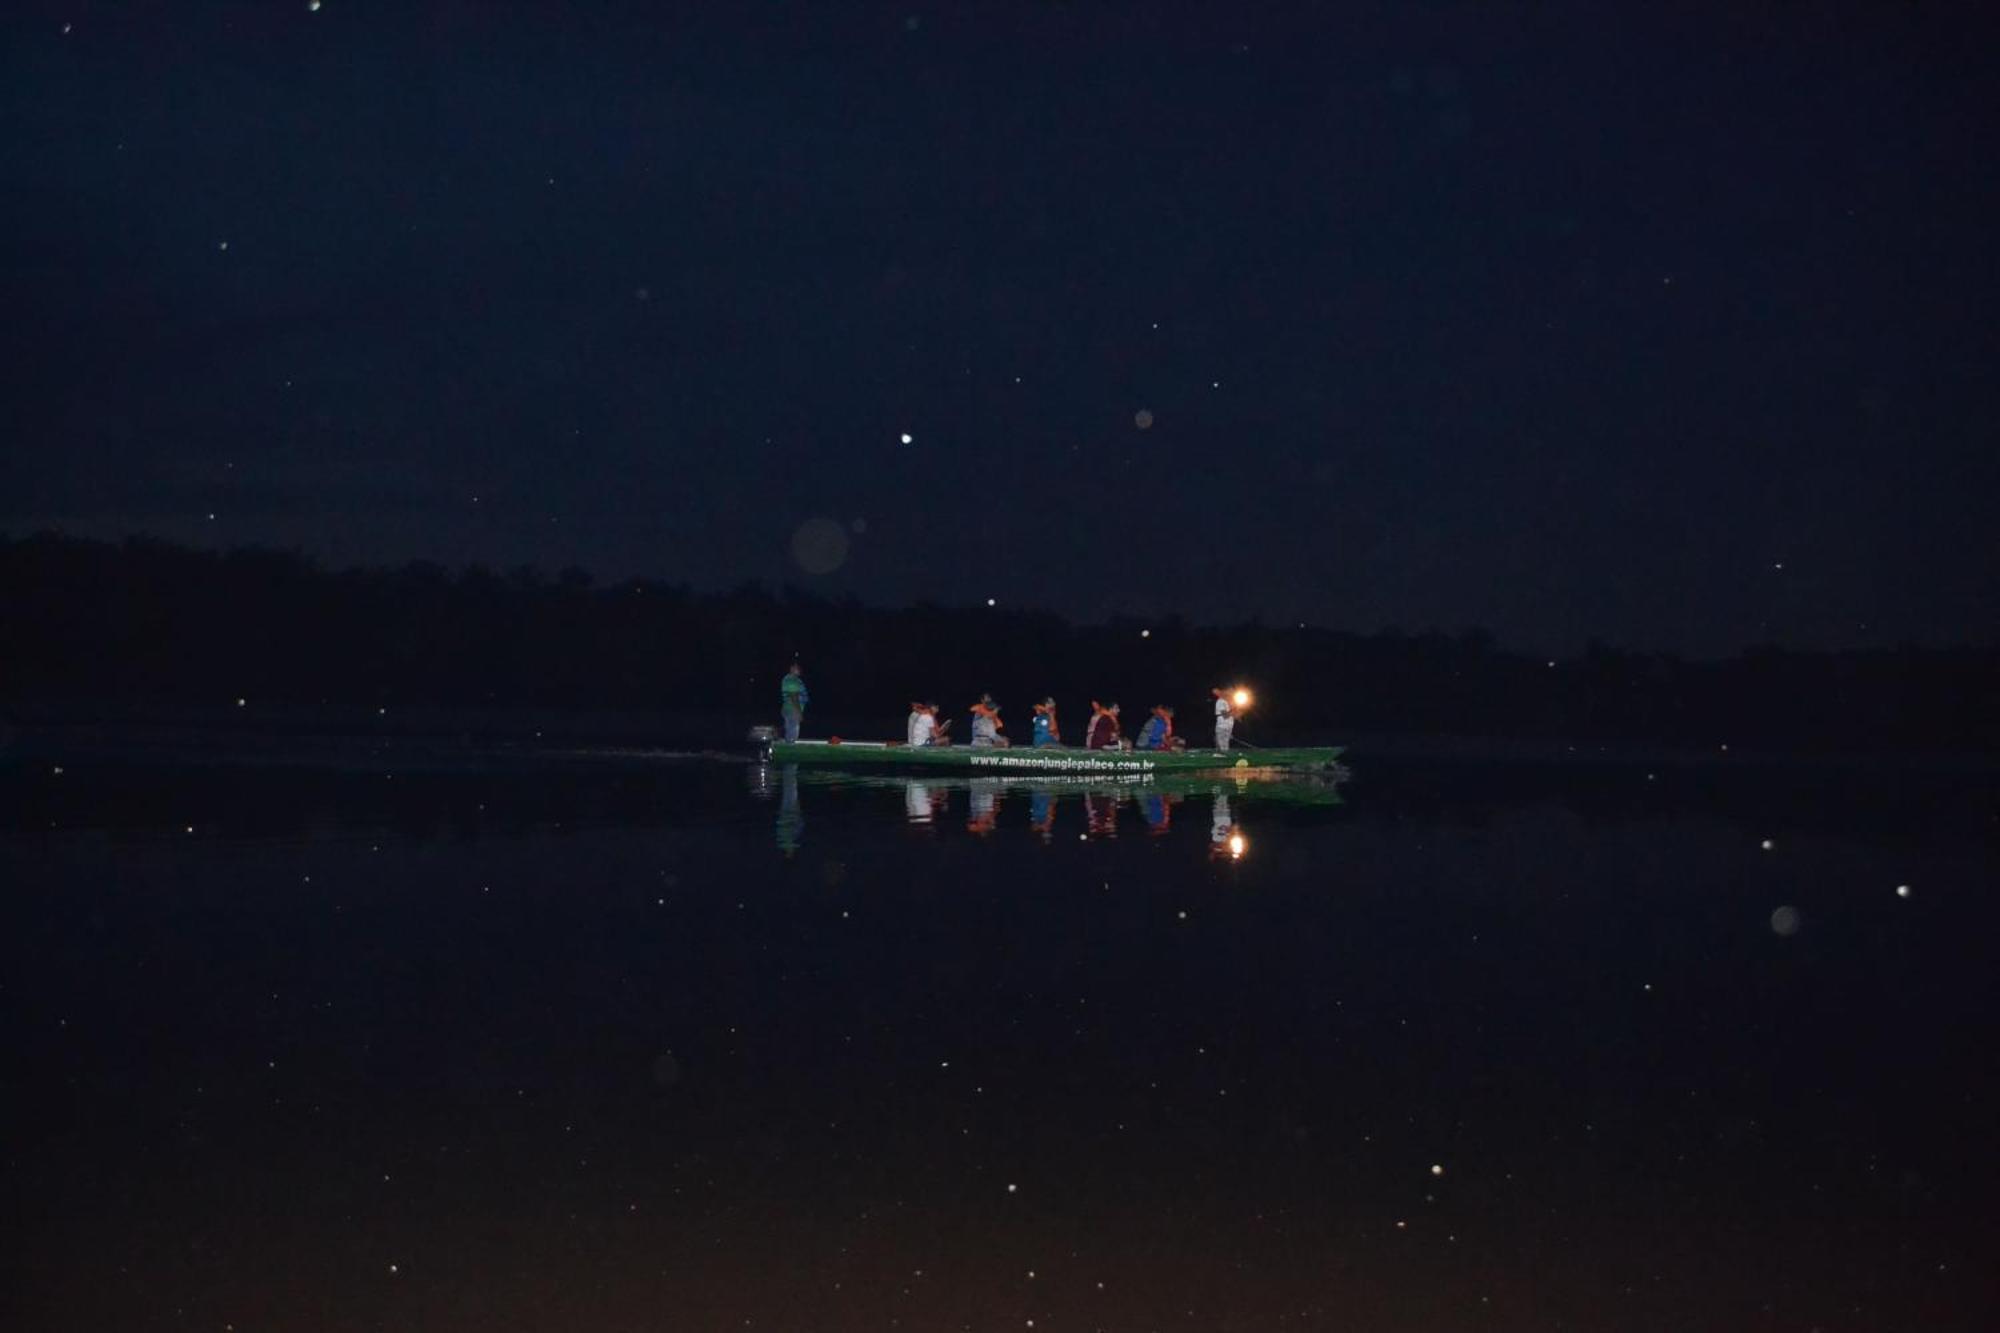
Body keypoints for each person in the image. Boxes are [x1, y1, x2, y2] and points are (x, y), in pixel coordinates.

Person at [779, 662, 809, 742]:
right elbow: (793, 696)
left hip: (790, 709)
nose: (799, 669)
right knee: (792, 735)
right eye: (796, 667)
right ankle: (788, 749)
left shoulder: (794, 680)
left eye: (799, 668)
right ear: (791, 668)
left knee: (790, 731)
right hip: (793, 710)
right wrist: (799, 712)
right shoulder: (791, 680)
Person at [1211, 687, 1236, 752]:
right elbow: (1225, 715)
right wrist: (1234, 710)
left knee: (1226, 744)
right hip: (1222, 724)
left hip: (1229, 725)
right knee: (1220, 743)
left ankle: (1225, 758)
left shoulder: (1230, 702)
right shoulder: (1220, 701)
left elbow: (1234, 715)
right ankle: (1220, 757)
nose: (1231, 694)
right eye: (1230, 692)